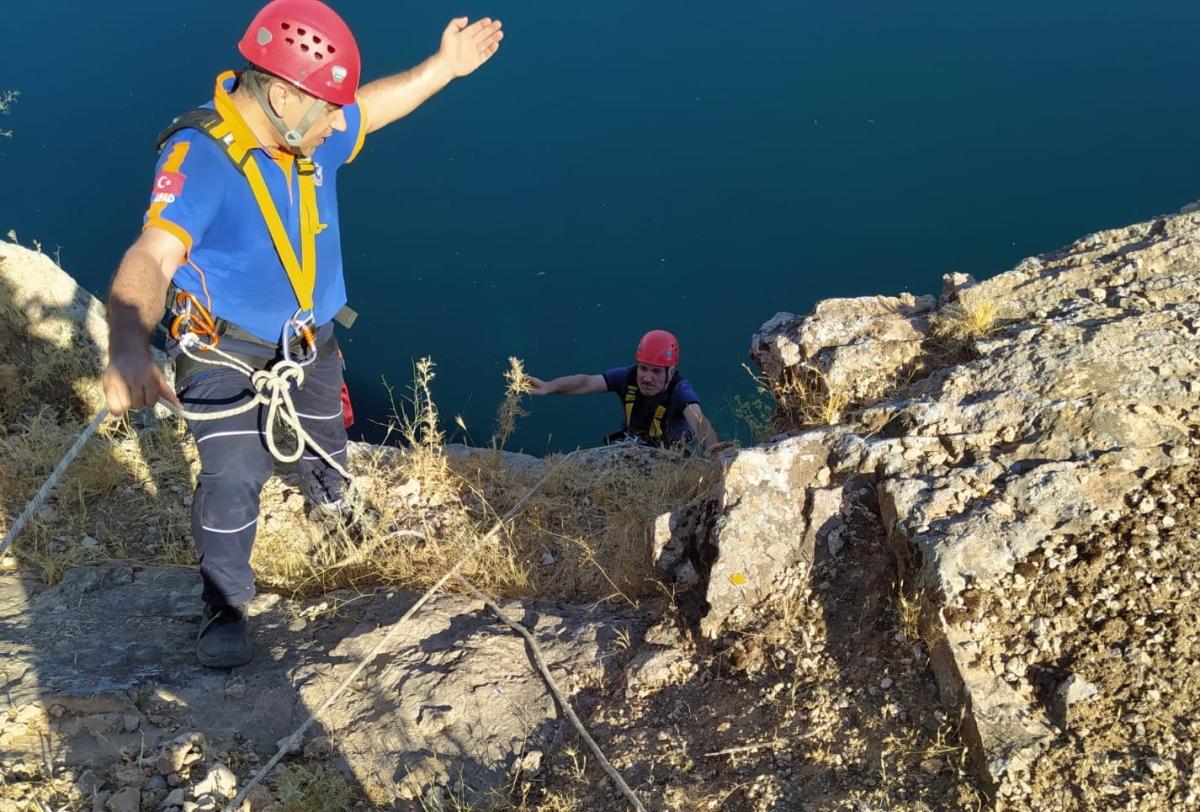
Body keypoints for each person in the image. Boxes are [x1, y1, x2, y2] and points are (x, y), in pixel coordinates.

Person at [100, 0, 503, 668]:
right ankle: (225, 601)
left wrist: (443, 67)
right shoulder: (201, 159)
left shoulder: (303, 130)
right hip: (224, 346)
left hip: (309, 339)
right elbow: (152, 256)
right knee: (233, 474)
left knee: (326, 434)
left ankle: (332, 503)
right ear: (285, 95)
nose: (339, 125)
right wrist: (127, 348)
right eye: (329, 110)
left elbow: (370, 109)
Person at [527, 330, 731, 455]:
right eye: (643, 368)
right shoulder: (627, 377)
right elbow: (585, 382)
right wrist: (549, 386)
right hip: (632, 444)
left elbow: (699, 421)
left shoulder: (680, 391)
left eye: (656, 371)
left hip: (670, 456)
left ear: (671, 371)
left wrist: (712, 447)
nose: (647, 378)